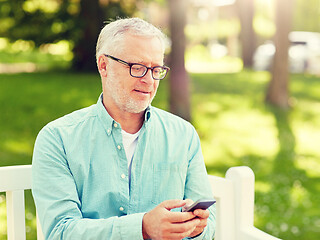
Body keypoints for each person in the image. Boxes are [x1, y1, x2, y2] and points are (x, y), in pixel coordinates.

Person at [32, 17, 216, 240]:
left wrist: (196, 228)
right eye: (137, 68)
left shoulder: (183, 135)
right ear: (103, 65)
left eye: (156, 69)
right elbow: (60, 232)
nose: (149, 80)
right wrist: (143, 228)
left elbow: (209, 224)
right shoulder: (57, 139)